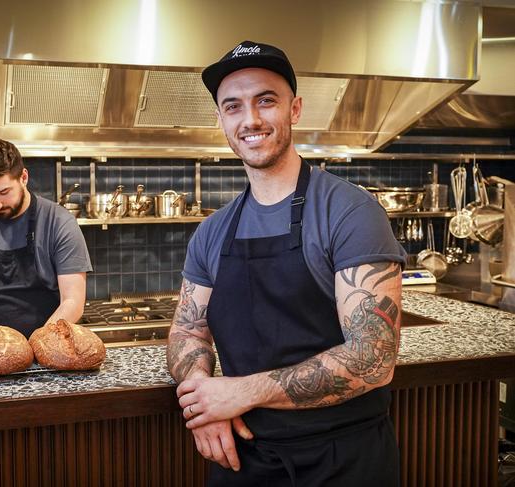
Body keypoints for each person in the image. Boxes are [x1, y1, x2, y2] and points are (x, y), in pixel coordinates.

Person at [166, 41, 407, 486]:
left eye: (266, 101)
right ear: (221, 119)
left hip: (344, 459)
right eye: (233, 106)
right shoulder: (213, 231)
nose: (250, 119)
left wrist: (239, 391)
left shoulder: (349, 211)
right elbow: (187, 330)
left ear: (294, 109)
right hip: (242, 458)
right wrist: (204, 403)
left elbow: (373, 358)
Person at [0, 138, 92, 338]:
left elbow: (72, 302)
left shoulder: (59, 224)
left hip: (47, 348)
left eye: (3, 192)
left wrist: (39, 343)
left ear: (24, 177)